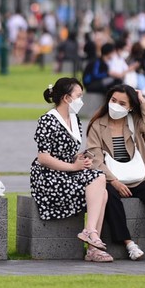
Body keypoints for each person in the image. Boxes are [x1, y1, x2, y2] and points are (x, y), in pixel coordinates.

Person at [85, 84, 145, 262]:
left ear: (130, 107)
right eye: (113, 100)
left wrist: (142, 101)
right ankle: (129, 244)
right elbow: (95, 159)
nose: (115, 105)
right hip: (111, 178)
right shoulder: (97, 125)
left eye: (122, 103)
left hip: (137, 176)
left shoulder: (135, 121)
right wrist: (114, 181)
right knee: (109, 197)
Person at [31, 77, 111, 263]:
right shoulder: (47, 120)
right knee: (99, 180)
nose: (81, 100)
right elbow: (44, 158)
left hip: (67, 172)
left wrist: (80, 160)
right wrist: (74, 166)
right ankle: (91, 236)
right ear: (67, 98)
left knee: (103, 191)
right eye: (78, 96)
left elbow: (70, 153)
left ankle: (92, 242)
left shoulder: (74, 120)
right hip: (48, 177)